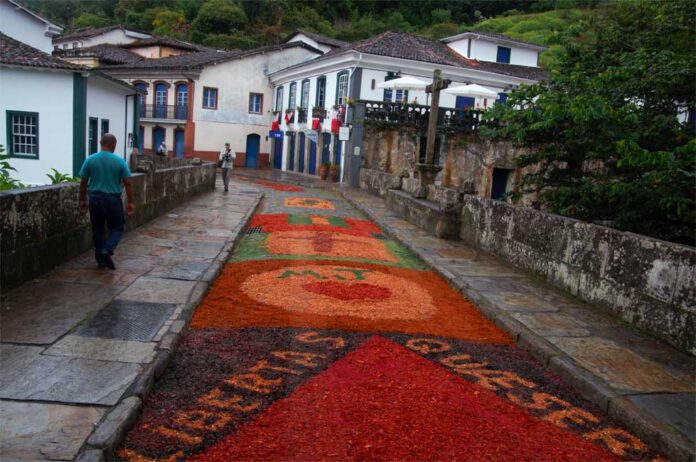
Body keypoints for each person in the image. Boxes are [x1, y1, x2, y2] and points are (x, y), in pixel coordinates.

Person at [79, 133, 135, 270]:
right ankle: (107, 249)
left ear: (100, 143)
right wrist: (130, 202)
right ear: (114, 144)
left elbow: (83, 182)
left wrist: (83, 200)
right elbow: (128, 182)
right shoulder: (120, 161)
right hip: (112, 200)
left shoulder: (90, 160)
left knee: (97, 230)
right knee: (117, 227)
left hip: (95, 199)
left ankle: (101, 260)